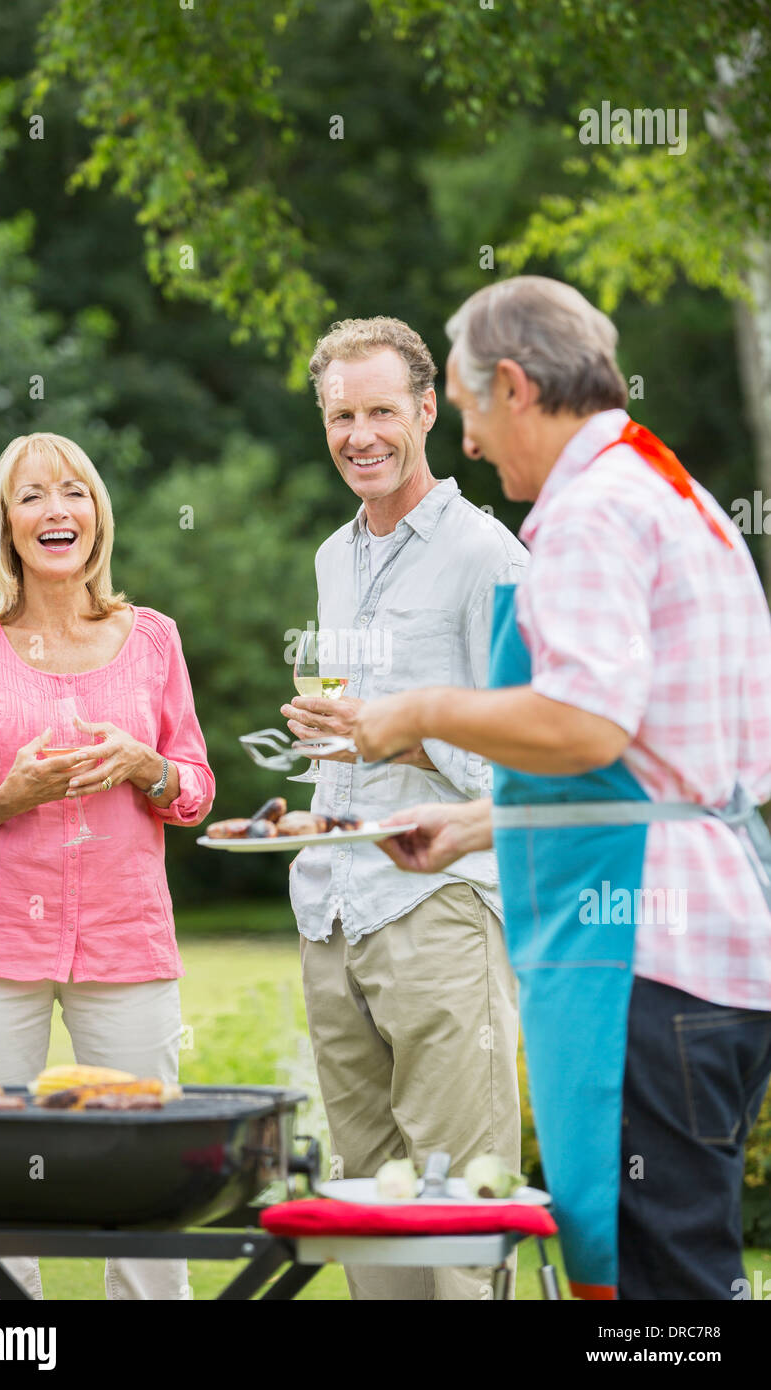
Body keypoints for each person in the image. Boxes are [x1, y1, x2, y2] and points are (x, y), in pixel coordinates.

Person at [354, 276, 771, 1300]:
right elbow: (665, 765)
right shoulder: (670, 494)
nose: (468, 443)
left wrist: (419, 711)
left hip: (639, 960)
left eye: (463, 409)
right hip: (713, 941)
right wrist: (474, 824)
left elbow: (586, 722)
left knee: (653, 1290)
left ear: (512, 384)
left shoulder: (589, 513)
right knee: (675, 1272)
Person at [0, 431, 215, 1301]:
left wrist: (143, 765)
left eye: (74, 492)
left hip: (126, 942)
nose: (57, 510)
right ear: (6, 524)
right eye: (33, 495)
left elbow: (193, 788)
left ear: (97, 517)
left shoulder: (152, 639)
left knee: (148, 1176)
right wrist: (11, 794)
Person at [280, 316, 528, 1301]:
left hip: (439, 908)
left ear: (427, 410)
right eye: (341, 416)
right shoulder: (330, 559)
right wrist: (323, 728)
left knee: (459, 1217)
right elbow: (355, 726)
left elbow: (528, 757)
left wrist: (398, 732)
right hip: (331, 912)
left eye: (381, 410)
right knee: (366, 1217)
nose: (360, 436)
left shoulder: (489, 557)